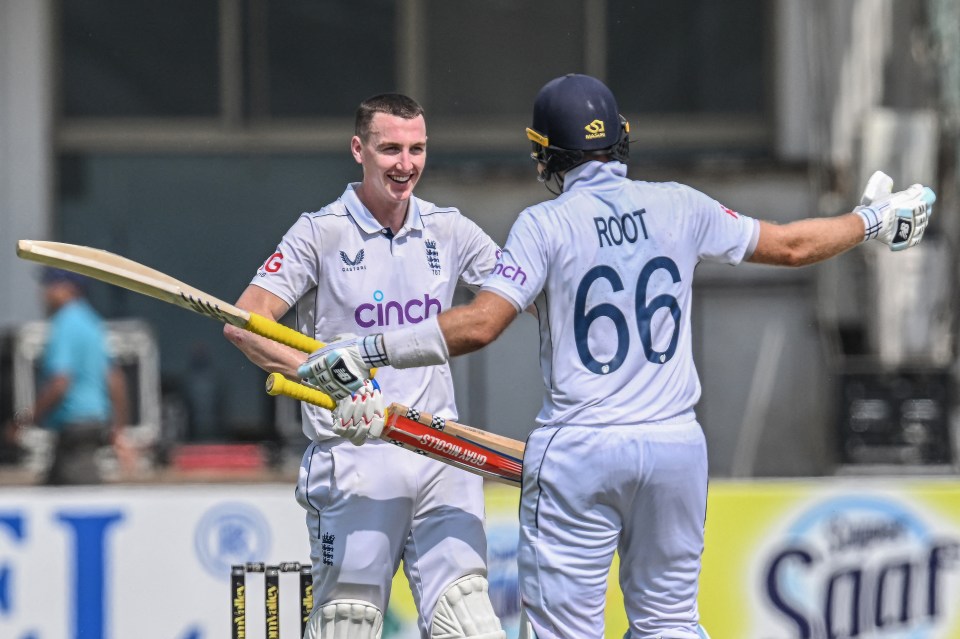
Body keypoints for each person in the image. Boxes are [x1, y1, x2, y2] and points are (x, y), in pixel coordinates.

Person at [297, 74, 936, 638]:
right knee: (671, 625)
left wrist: (370, 349)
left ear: (545, 153)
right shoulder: (681, 204)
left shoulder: (544, 224)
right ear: (621, 139)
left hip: (580, 451)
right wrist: (874, 218)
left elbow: (484, 323)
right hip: (675, 447)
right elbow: (795, 245)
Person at [223, 93, 506, 639]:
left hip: (439, 450)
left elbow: (524, 297)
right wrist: (337, 381)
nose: (405, 164)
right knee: (347, 624)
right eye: (390, 149)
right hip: (356, 452)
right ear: (359, 149)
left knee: (471, 624)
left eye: (417, 148)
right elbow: (244, 321)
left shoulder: (449, 230)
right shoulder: (321, 232)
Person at [6, 267, 131, 485]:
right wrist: (119, 430)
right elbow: (115, 378)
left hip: (75, 429)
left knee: (78, 498)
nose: (44, 292)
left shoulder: (65, 324)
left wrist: (23, 421)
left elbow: (59, 383)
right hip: (93, 426)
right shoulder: (92, 321)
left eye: (50, 285)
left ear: (68, 289)